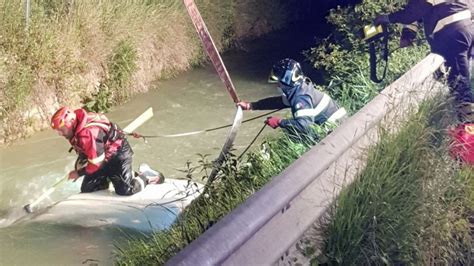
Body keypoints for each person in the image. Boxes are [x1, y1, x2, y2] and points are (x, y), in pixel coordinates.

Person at [374, 0, 474, 122]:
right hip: (466, 26)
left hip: (450, 32)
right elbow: (418, 15)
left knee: (457, 77)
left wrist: (386, 18)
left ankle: (468, 118)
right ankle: (463, 111)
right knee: (457, 73)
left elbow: (412, 13)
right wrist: (407, 35)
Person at [50, 107, 163, 195]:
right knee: (88, 189)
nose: (60, 133)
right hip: (102, 157)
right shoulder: (76, 128)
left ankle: (147, 175)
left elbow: (96, 163)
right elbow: (89, 152)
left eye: (61, 129)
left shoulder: (88, 133)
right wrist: (81, 163)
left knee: (125, 190)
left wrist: (78, 173)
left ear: (72, 122)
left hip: (118, 154)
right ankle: (113, 177)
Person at [237, 58, 347, 143]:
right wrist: (250, 106)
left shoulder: (300, 98)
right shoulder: (298, 88)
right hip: (339, 126)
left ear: (287, 80)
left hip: (337, 131)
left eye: (278, 82)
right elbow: (278, 102)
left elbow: (304, 126)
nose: (277, 85)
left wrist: (280, 122)